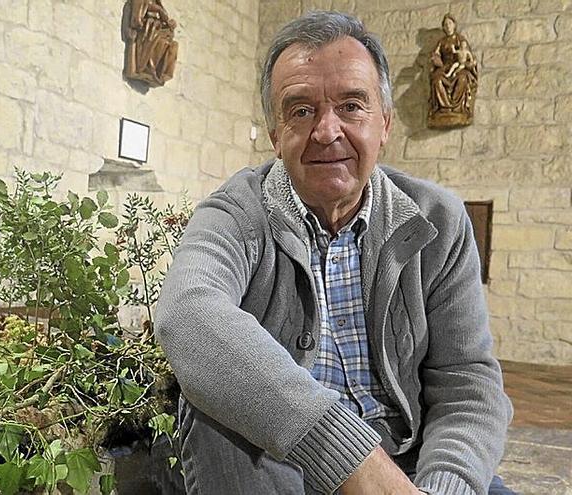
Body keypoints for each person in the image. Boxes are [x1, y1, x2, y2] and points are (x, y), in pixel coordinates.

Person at [154, 11, 513, 495]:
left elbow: (466, 381)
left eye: (351, 106)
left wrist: (442, 487)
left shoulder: (438, 220)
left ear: (384, 124)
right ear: (276, 134)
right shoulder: (237, 212)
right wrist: (345, 454)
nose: (326, 130)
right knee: (213, 414)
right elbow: (188, 312)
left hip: (408, 468)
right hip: (280, 462)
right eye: (300, 110)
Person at [429, 14, 478, 123]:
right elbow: (436, 54)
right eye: (445, 24)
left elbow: (468, 55)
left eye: (450, 23)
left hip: (459, 66)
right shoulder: (441, 42)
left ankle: (458, 108)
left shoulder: (460, 39)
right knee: (437, 80)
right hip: (445, 67)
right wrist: (435, 59)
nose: (448, 26)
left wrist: (469, 63)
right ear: (443, 27)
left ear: (454, 25)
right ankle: (444, 108)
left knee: (463, 78)